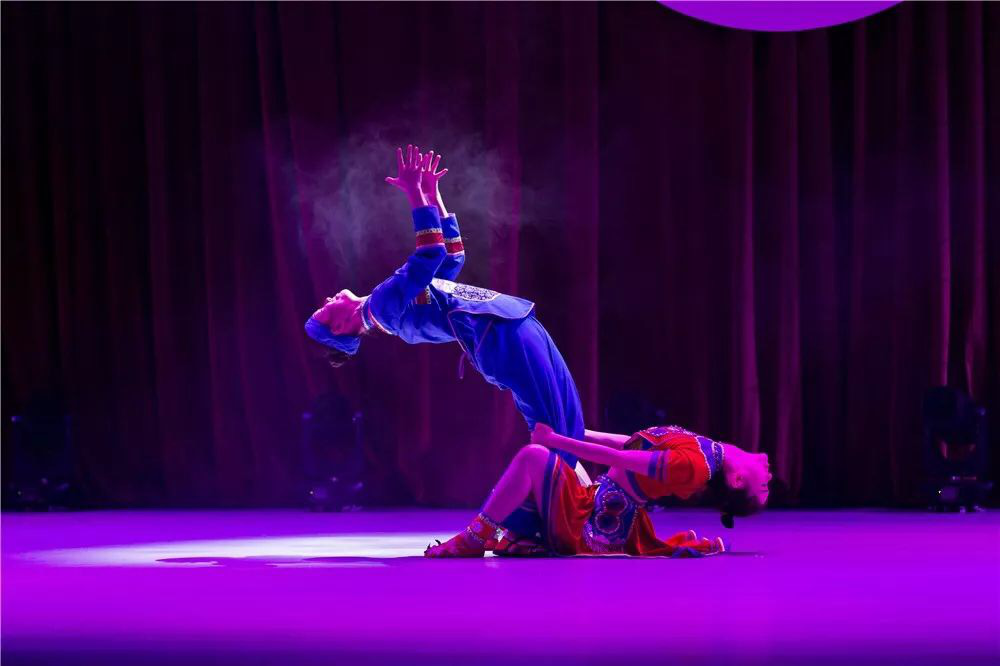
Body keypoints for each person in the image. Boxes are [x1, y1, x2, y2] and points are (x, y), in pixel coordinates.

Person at [305, 145, 590, 541]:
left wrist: (434, 195)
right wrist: (414, 193)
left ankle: (570, 512)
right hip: (501, 337)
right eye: (323, 311)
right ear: (340, 328)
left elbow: (450, 260)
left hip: (509, 324)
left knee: (564, 422)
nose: (326, 300)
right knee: (553, 427)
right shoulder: (383, 308)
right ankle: (557, 518)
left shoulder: (387, 306)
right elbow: (430, 253)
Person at [424, 423, 771, 557]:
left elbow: (618, 458)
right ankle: (512, 534)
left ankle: (474, 538)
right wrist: (577, 432)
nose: (770, 472)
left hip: (594, 527)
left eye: (765, 485)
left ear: (738, 481)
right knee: (554, 461)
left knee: (534, 457)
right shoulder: (706, 451)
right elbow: (630, 443)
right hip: (595, 497)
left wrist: (556, 439)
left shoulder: (693, 466)